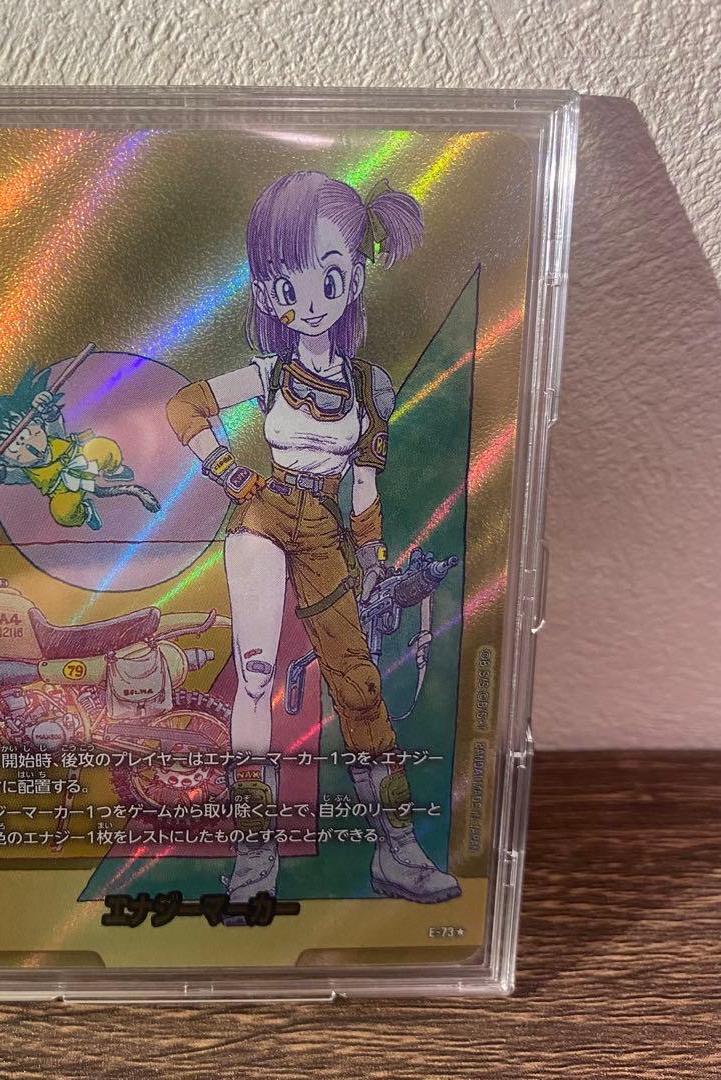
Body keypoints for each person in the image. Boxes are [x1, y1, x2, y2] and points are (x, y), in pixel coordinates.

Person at [166, 171, 460, 906]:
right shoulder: (268, 374)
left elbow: (365, 486)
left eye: (326, 275)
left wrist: (372, 560)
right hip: (266, 518)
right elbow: (185, 408)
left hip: (330, 534)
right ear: (268, 291)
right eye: (284, 281)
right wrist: (232, 474)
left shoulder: (369, 388)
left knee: (359, 686)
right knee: (256, 676)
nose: (306, 298)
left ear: (353, 278)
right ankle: (254, 857)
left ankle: (396, 850)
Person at [0, 366, 160, 530]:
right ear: (5, 459)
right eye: (16, 447)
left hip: (84, 460)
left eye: (30, 432)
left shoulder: (54, 437)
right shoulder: (26, 472)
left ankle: (113, 470)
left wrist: (46, 408)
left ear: (37, 423)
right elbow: (9, 476)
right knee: (62, 512)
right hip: (64, 490)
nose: (29, 446)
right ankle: (85, 512)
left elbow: (54, 423)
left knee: (104, 447)